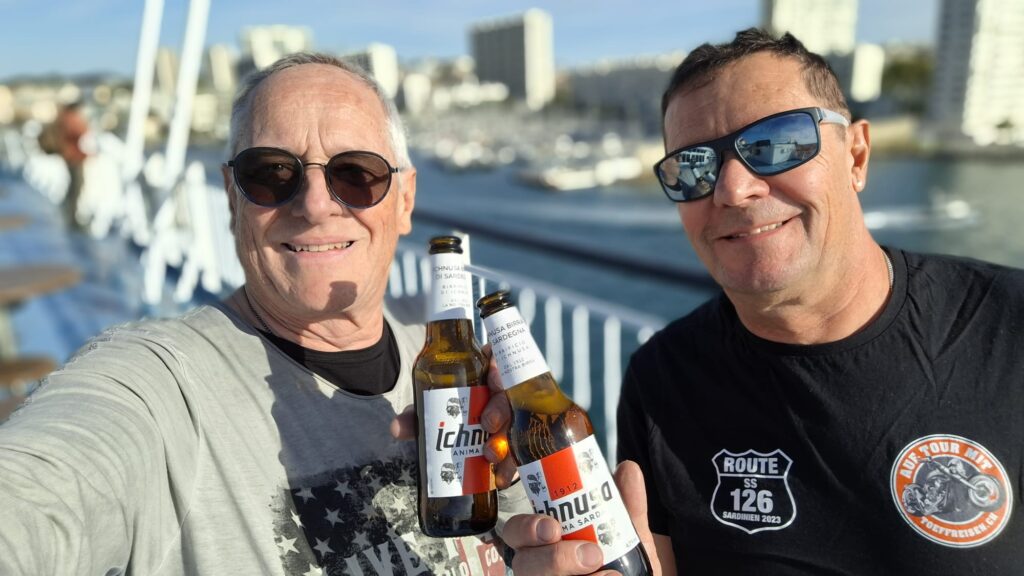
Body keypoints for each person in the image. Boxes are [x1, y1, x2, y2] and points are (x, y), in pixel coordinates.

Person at [499, 28, 1024, 575]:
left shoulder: (1009, 326)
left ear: (856, 155)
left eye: (777, 142)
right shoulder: (662, 380)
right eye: (694, 167)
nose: (732, 188)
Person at [0, 52, 527, 575]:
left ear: (404, 200)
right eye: (272, 173)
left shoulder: (463, 367)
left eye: (355, 173)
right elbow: (39, 491)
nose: (316, 205)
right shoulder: (161, 388)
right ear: (233, 200)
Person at [56, 100, 89, 231]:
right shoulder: (71, 119)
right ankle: (72, 218)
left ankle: (70, 213)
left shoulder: (64, 118)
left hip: (71, 156)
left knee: (74, 186)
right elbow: (80, 132)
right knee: (76, 187)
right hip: (74, 157)